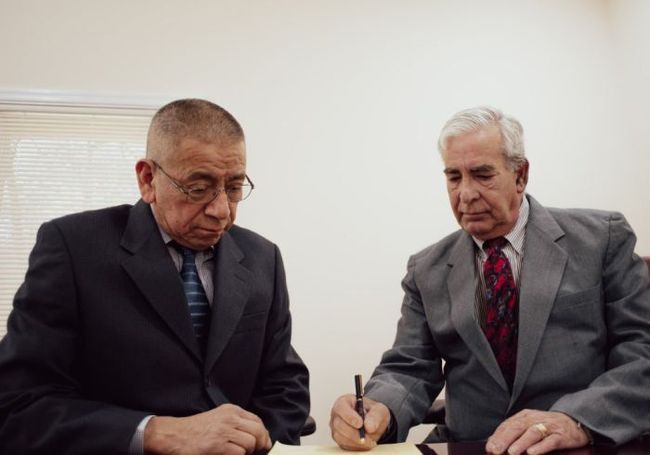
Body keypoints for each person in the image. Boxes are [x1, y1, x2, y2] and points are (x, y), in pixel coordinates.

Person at [330, 106, 650, 455]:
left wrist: (576, 421)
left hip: (578, 444)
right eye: (454, 177)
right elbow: (409, 368)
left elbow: (641, 356)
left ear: (520, 175)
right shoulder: (426, 270)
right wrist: (379, 409)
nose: (465, 194)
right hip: (472, 446)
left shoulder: (601, 240)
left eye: (482, 175)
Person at [0, 98, 310, 454]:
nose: (222, 211)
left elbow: (287, 388)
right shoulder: (73, 248)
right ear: (148, 179)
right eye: (198, 188)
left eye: (235, 187)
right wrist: (155, 433)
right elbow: (19, 404)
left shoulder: (262, 258)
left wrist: (260, 435)